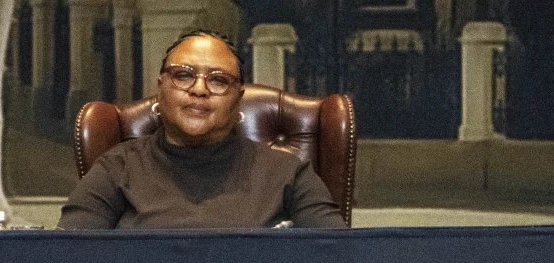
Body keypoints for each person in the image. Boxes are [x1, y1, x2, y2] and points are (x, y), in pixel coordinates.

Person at [58, 30, 345, 230]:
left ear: (237, 100)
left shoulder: (286, 173)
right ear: (160, 89)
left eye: (218, 81)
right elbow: (66, 261)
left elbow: (339, 261)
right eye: (183, 75)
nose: (199, 90)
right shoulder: (116, 170)